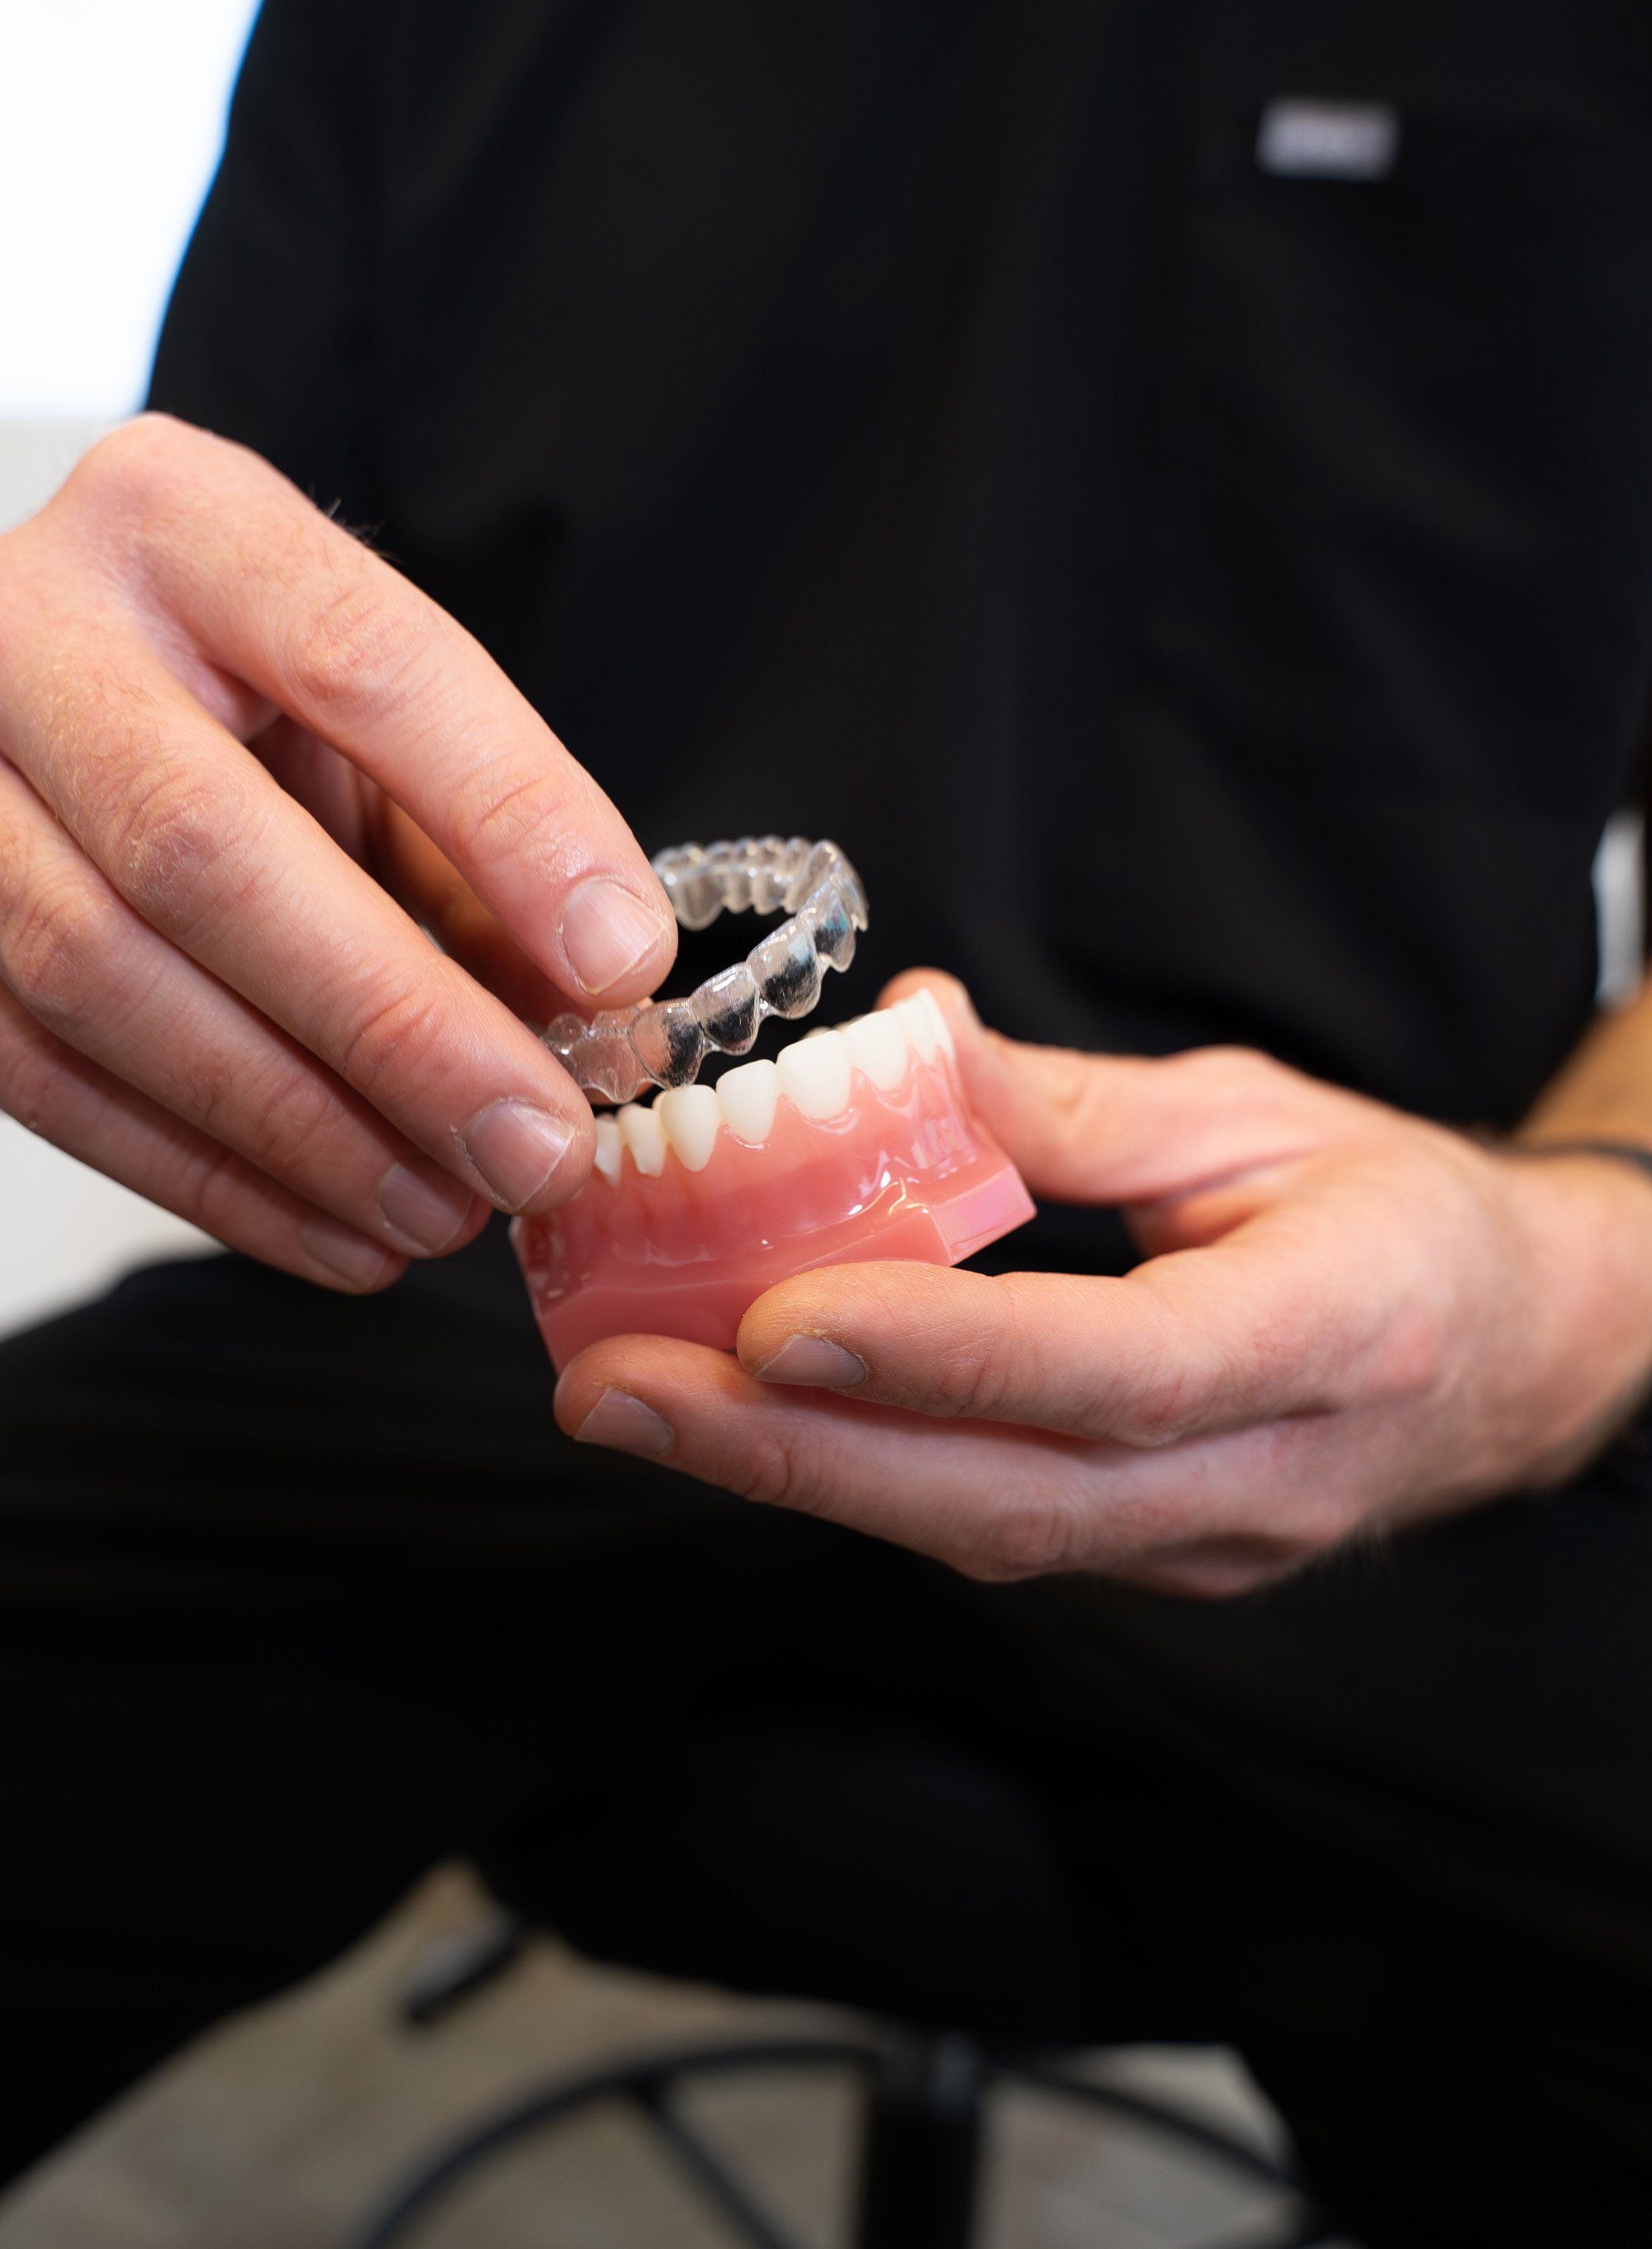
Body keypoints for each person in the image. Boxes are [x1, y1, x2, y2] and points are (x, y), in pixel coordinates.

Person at [3, 1, 1652, 2237]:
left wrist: (1578, 1267)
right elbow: (220, 662)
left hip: (1381, 1324)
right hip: (488, 1301)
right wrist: (90, 771)